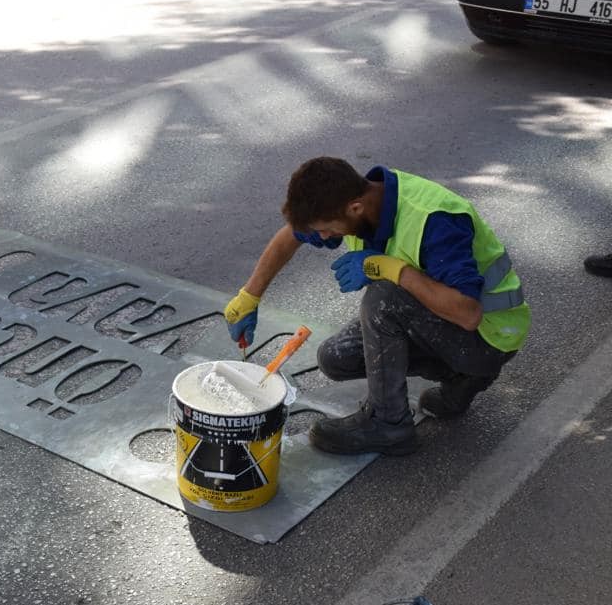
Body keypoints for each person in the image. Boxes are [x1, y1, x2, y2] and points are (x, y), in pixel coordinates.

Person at [224, 157, 530, 456]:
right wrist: (249, 297)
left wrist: (387, 267)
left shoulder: (434, 219)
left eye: (326, 229)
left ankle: (389, 423)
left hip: (490, 336)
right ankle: (460, 378)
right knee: (335, 358)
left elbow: (468, 314)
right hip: (444, 328)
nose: (323, 237)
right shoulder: (356, 206)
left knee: (383, 298)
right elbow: (292, 234)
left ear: (354, 208)